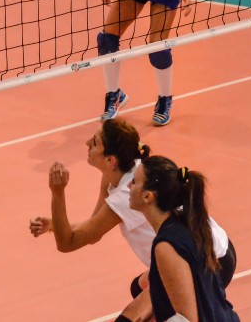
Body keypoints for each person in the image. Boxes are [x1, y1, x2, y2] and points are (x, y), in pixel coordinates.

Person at [29, 119, 236, 322]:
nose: (86, 144)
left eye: (95, 142)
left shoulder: (129, 197)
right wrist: (53, 225)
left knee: (149, 314)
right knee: (138, 289)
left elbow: (69, 242)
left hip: (211, 260)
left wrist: (57, 193)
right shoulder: (132, 172)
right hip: (209, 245)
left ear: (111, 160)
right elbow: (92, 230)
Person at [129, 157, 241, 322]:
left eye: (133, 182)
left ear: (147, 196)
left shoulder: (166, 245)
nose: (128, 187)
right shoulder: (187, 224)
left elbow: (186, 319)